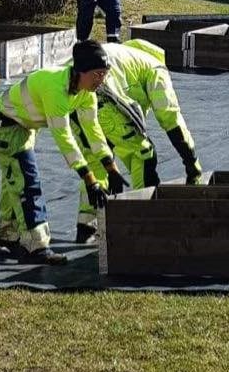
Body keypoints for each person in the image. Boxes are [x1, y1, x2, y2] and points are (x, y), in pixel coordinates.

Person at [0, 40, 127, 264]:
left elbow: (93, 130)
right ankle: (36, 247)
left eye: (105, 74)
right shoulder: (56, 90)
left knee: (13, 181)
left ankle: (6, 233)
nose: (102, 80)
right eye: (98, 74)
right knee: (27, 183)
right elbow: (65, 139)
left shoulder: (85, 92)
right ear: (81, 71)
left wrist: (111, 168)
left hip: (24, 126)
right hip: (8, 127)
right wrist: (90, 179)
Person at [74, 37, 204, 243]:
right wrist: (192, 163)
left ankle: (87, 224)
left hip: (79, 93)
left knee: (96, 157)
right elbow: (170, 118)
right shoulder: (156, 69)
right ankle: (144, 218)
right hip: (103, 97)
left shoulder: (125, 55)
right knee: (142, 153)